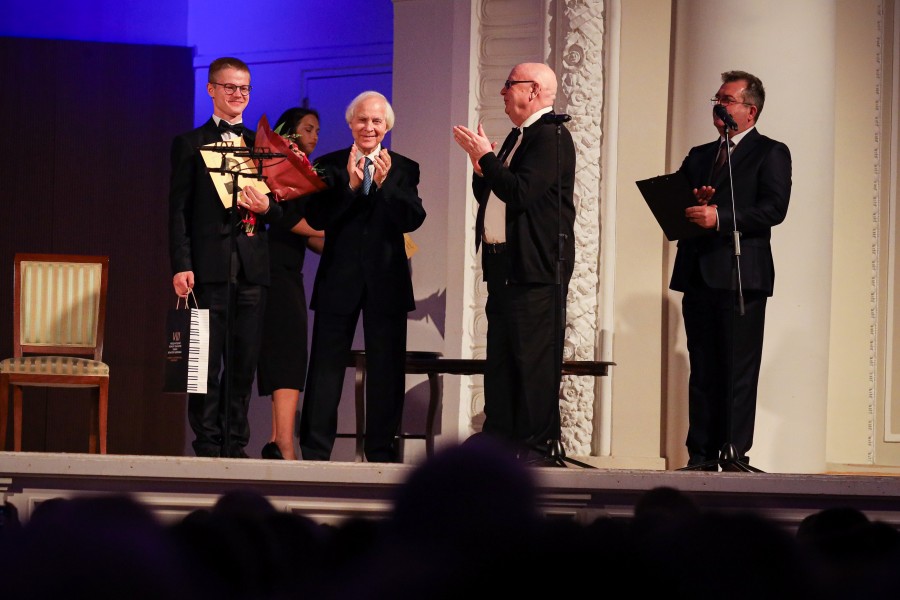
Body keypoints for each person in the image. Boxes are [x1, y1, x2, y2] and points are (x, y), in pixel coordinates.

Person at [452, 63, 576, 461]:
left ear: (533, 90)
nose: (503, 91)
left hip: (536, 268)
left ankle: (536, 446)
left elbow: (522, 193)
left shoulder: (551, 137)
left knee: (532, 361)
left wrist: (486, 158)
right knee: (501, 360)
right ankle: (498, 440)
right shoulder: (518, 136)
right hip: (505, 267)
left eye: (510, 85)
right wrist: (482, 167)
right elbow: (495, 193)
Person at [670, 70, 791, 470]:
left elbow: (774, 209)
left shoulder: (770, 152)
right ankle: (701, 456)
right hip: (699, 273)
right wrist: (693, 205)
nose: (718, 106)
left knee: (738, 370)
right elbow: (679, 207)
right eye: (716, 99)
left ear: (750, 110)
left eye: (726, 99)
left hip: (742, 275)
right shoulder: (699, 155)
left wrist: (719, 216)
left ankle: (734, 453)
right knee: (703, 369)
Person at [298, 91, 426, 463]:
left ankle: (381, 452)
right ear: (351, 123)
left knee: (386, 369)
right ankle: (315, 452)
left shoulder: (404, 168)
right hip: (339, 278)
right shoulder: (328, 166)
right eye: (362, 120)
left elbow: (412, 218)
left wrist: (383, 187)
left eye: (376, 121)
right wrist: (352, 187)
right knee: (325, 368)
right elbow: (317, 217)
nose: (369, 127)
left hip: (386, 281)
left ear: (387, 126)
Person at [169, 56, 284, 458]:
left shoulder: (263, 146)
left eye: (245, 88)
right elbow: (178, 211)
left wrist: (267, 208)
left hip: (252, 269)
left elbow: (283, 211)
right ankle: (206, 445)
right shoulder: (189, 143)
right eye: (230, 87)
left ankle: (235, 445)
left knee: (243, 363)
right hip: (207, 269)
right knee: (203, 364)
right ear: (211, 89)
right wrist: (181, 265)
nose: (238, 94)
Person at [257, 107, 325, 460]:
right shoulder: (279, 166)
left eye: (317, 130)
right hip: (272, 270)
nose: (315, 135)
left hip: (288, 270)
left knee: (288, 353)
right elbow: (285, 220)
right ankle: (283, 444)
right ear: (291, 132)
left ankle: (278, 439)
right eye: (308, 128)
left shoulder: (304, 172)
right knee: (286, 352)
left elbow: (310, 236)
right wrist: (340, 234)